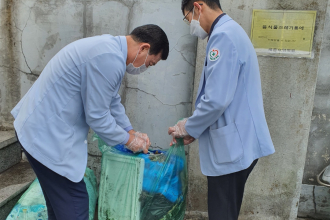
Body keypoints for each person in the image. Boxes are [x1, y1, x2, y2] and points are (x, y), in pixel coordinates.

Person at [11, 24, 169, 220]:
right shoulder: (109, 59)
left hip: (40, 129)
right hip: (46, 137)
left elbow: (111, 100)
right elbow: (98, 117)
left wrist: (130, 131)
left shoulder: (110, 50)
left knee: (60, 209)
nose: (146, 68)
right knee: (75, 206)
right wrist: (128, 140)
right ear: (144, 48)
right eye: (151, 63)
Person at [168, 1, 275, 219]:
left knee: (222, 213)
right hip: (236, 140)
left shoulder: (223, 37)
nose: (191, 24)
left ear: (198, 7)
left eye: (188, 18)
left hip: (232, 146)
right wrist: (193, 129)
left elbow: (216, 100)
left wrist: (187, 127)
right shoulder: (229, 31)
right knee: (226, 211)